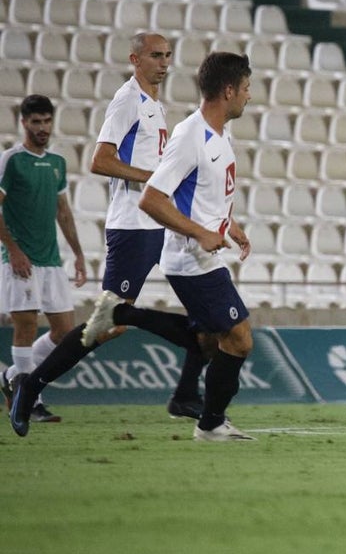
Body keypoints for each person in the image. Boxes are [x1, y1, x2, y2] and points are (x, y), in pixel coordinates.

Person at [12, 52, 256, 441]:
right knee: (108, 323)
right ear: (136, 59)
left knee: (203, 334)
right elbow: (105, 162)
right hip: (134, 225)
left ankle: (186, 396)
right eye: (157, 55)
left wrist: (227, 222)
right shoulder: (132, 102)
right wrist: (175, 202)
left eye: (169, 56)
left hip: (156, 229)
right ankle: (31, 385)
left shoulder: (168, 113)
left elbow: (192, 186)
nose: (165, 62)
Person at [0, 95, 86, 424]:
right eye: (35, 121)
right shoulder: (11, 160)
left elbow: (62, 211)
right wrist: (14, 250)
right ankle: (29, 400)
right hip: (20, 260)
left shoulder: (56, 163)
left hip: (51, 261)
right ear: (23, 123)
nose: (42, 127)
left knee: (65, 332)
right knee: (26, 325)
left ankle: (12, 377)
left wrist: (78, 253)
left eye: (47, 121)